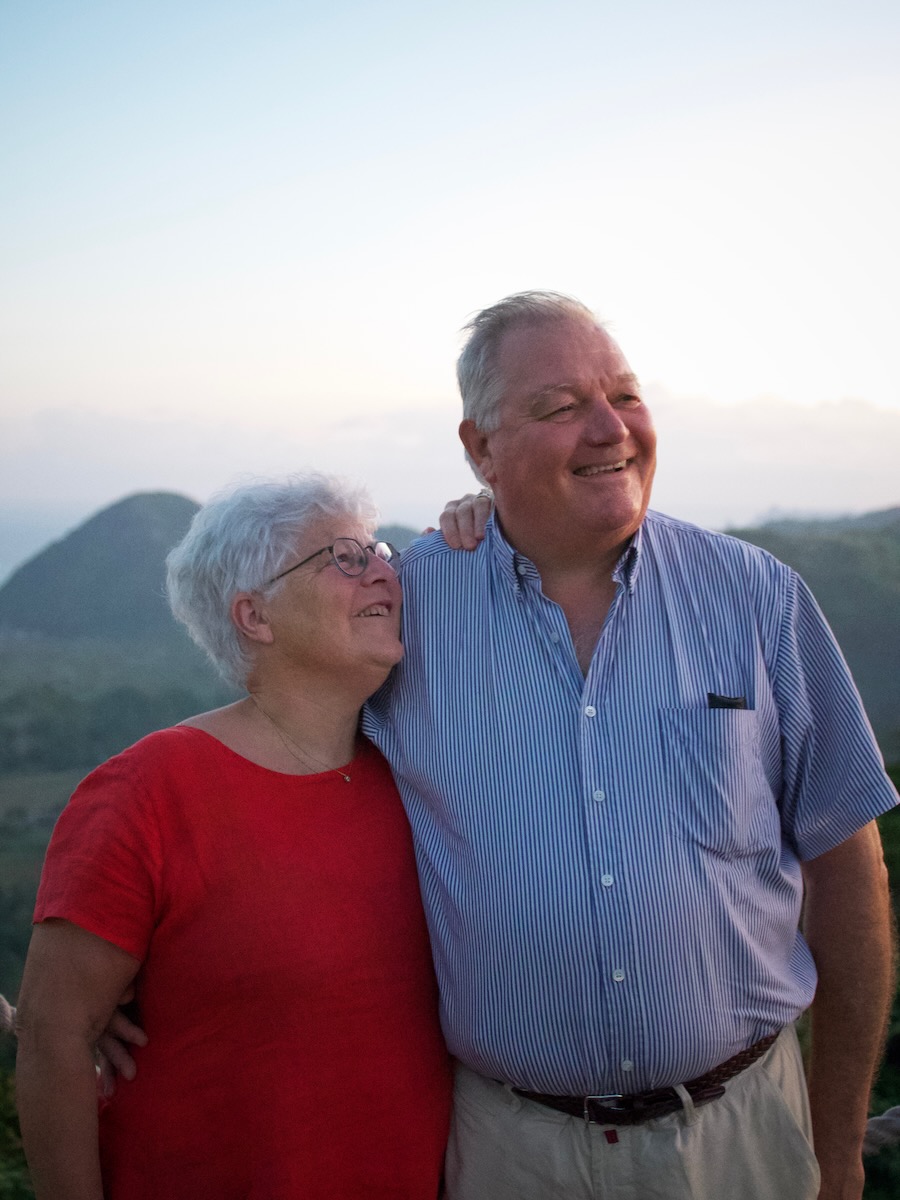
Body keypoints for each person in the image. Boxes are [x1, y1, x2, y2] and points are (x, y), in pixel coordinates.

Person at [362, 292, 898, 1200]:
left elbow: (849, 866)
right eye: (560, 406)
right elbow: (286, 779)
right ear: (481, 448)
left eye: (625, 395)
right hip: (508, 1151)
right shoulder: (406, 613)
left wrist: (839, 1138)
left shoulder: (756, 596)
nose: (611, 428)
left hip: (744, 1138)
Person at [15, 475, 452, 1200]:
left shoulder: (418, 774)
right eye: (343, 557)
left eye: (378, 551)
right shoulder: (150, 790)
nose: (385, 571)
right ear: (255, 616)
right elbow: (52, 1033)